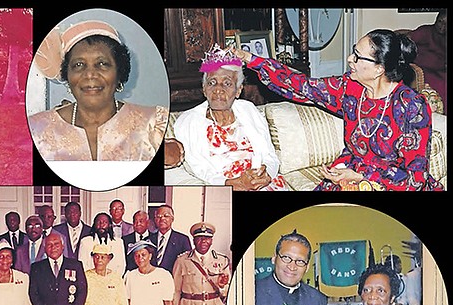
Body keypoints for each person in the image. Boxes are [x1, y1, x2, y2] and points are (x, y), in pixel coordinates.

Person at [233, 30, 444, 191]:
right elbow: (300, 85)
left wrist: (361, 175)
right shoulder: (349, 89)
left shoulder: (411, 106)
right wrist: (251, 59)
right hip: (350, 174)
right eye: (353, 52)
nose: (350, 59)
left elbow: (416, 179)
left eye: (358, 57)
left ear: (379, 69)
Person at [29, 19, 168, 161]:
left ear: (119, 73)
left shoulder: (154, 124)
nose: (89, 74)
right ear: (67, 75)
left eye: (102, 64)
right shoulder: (36, 130)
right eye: (78, 64)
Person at [173, 44, 286, 190]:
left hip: (264, 183)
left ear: (238, 90)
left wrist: (267, 174)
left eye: (227, 83)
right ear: (204, 89)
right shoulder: (188, 122)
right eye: (212, 82)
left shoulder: (249, 110)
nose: (218, 89)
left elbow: (270, 156)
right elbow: (200, 169)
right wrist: (232, 183)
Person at [408, 10, 447, 113]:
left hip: (440, 70)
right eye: (440, 22)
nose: (442, 26)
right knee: (441, 83)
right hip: (423, 69)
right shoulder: (426, 31)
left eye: (446, 24)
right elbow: (408, 40)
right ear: (436, 20)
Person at [78, 212, 126, 277]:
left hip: (112, 282)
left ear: (109, 225)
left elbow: (121, 265)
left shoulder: (118, 242)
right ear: (94, 225)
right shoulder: (86, 242)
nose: (101, 225)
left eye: (105, 222)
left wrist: (112, 279)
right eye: (98, 222)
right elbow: (82, 264)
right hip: (91, 281)